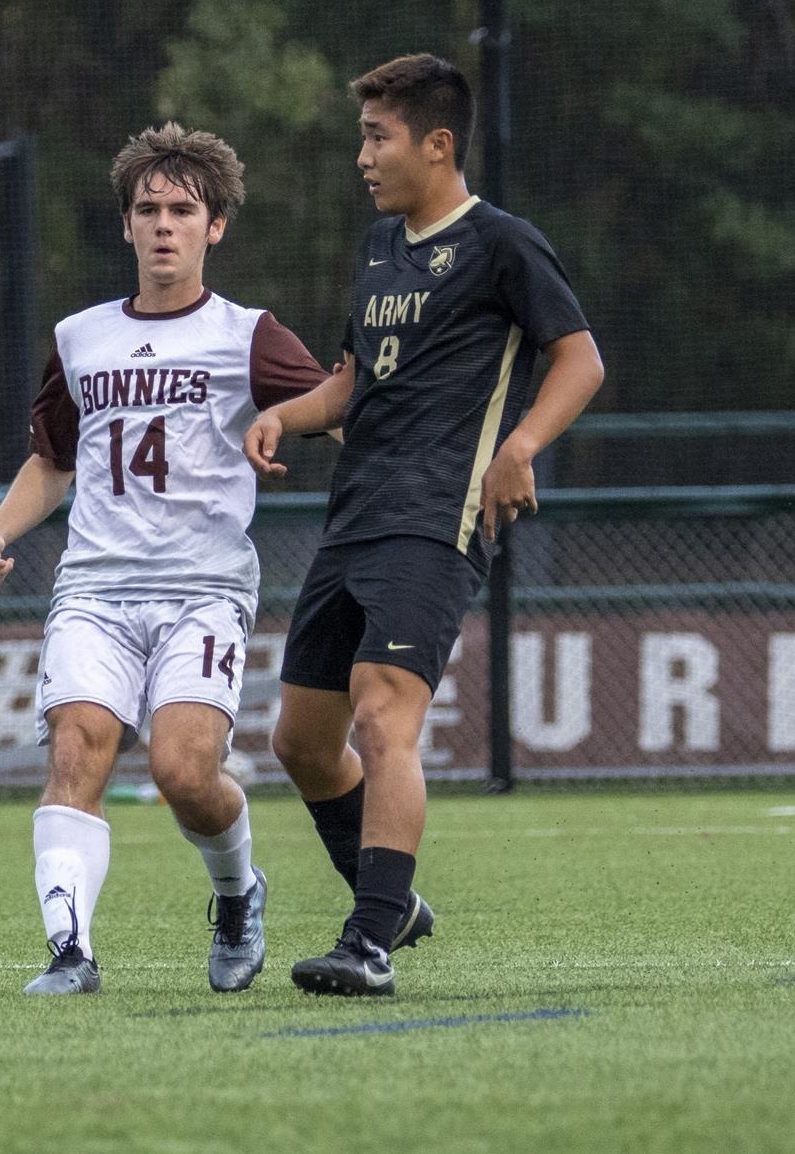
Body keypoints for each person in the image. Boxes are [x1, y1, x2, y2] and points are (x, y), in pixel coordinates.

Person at [246, 54, 606, 997]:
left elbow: (581, 359)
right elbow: (351, 383)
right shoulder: (377, 247)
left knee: (382, 711)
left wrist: (521, 445)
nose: (363, 157)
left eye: (378, 137)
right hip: (354, 514)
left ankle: (368, 940)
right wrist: (284, 415)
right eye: (362, 137)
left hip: (439, 512)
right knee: (301, 740)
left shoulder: (502, 244)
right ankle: (395, 905)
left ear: (437, 144)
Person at [0, 122, 328, 996]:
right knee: (76, 750)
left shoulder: (249, 335)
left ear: (216, 226)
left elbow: (336, 407)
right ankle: (70, 952)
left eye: (184, 210)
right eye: (148, 209)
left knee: (183, 771)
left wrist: (378, 461)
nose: (164, 224)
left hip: (204, 589)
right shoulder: (80, 338)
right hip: (94, 588)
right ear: (126, 224)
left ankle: (238, 893)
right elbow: (53, 460)